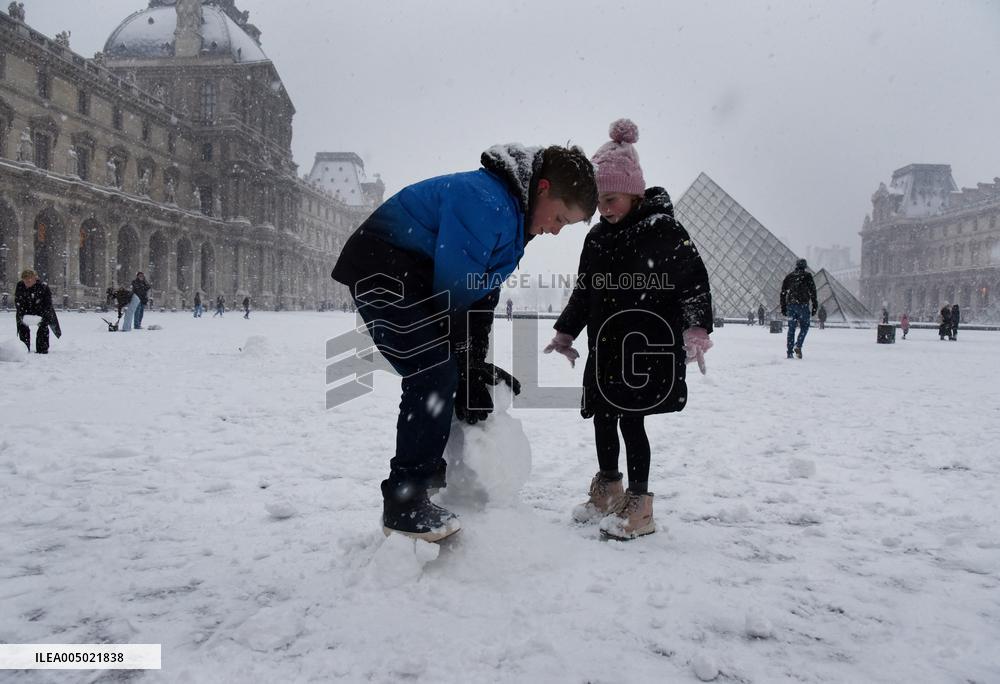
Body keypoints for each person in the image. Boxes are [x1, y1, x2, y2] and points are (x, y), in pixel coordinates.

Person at [332, 140, 598, 542]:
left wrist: (472, 361)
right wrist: (462, 363)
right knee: (433, 373)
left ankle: (431, 475)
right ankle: (405, 502)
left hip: (414, 277)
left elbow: (480, 296)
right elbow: (455, 293)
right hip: (383, 269)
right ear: (541, 188)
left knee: (446, 370)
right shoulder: (486, 201)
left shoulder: (513, 221)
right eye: (559, 217)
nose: (556, 230)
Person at [543, 119, 713, 541]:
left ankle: (640, 505)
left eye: (612, 198)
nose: (604, 208)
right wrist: (566, 333)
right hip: (606, 346)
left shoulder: (665, 231)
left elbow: (693, 281)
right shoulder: (598, 238)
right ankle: (608, 487)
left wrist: (696, 329)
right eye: (599, 200)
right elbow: (585, 291)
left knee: (632, 422)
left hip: (645, 347)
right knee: (603, 417)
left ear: (635, 191)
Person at [14, 268, 61, 353]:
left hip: (41, 311)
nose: (27, 282)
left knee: (43, 326)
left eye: (29, 279)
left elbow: (47, 304)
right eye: (25, 280)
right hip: (26, 310)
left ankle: (42, 348)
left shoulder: (43, 287)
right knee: (22, 326)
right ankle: (24, 347)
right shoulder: (20, 285)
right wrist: (23, 315)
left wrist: (42, 316)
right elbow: (18, 301)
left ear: (35, 279)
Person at [780, 258, 817, 359]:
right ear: (805, 266)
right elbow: (813, 292)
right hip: (803, 306)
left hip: (791, 306)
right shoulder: (807, 276)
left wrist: (783, 307)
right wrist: (814, 305)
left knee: (791, 329)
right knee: (805, 327)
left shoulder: (789, 276)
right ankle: (798, 345)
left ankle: (789, 352)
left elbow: (783, 293)